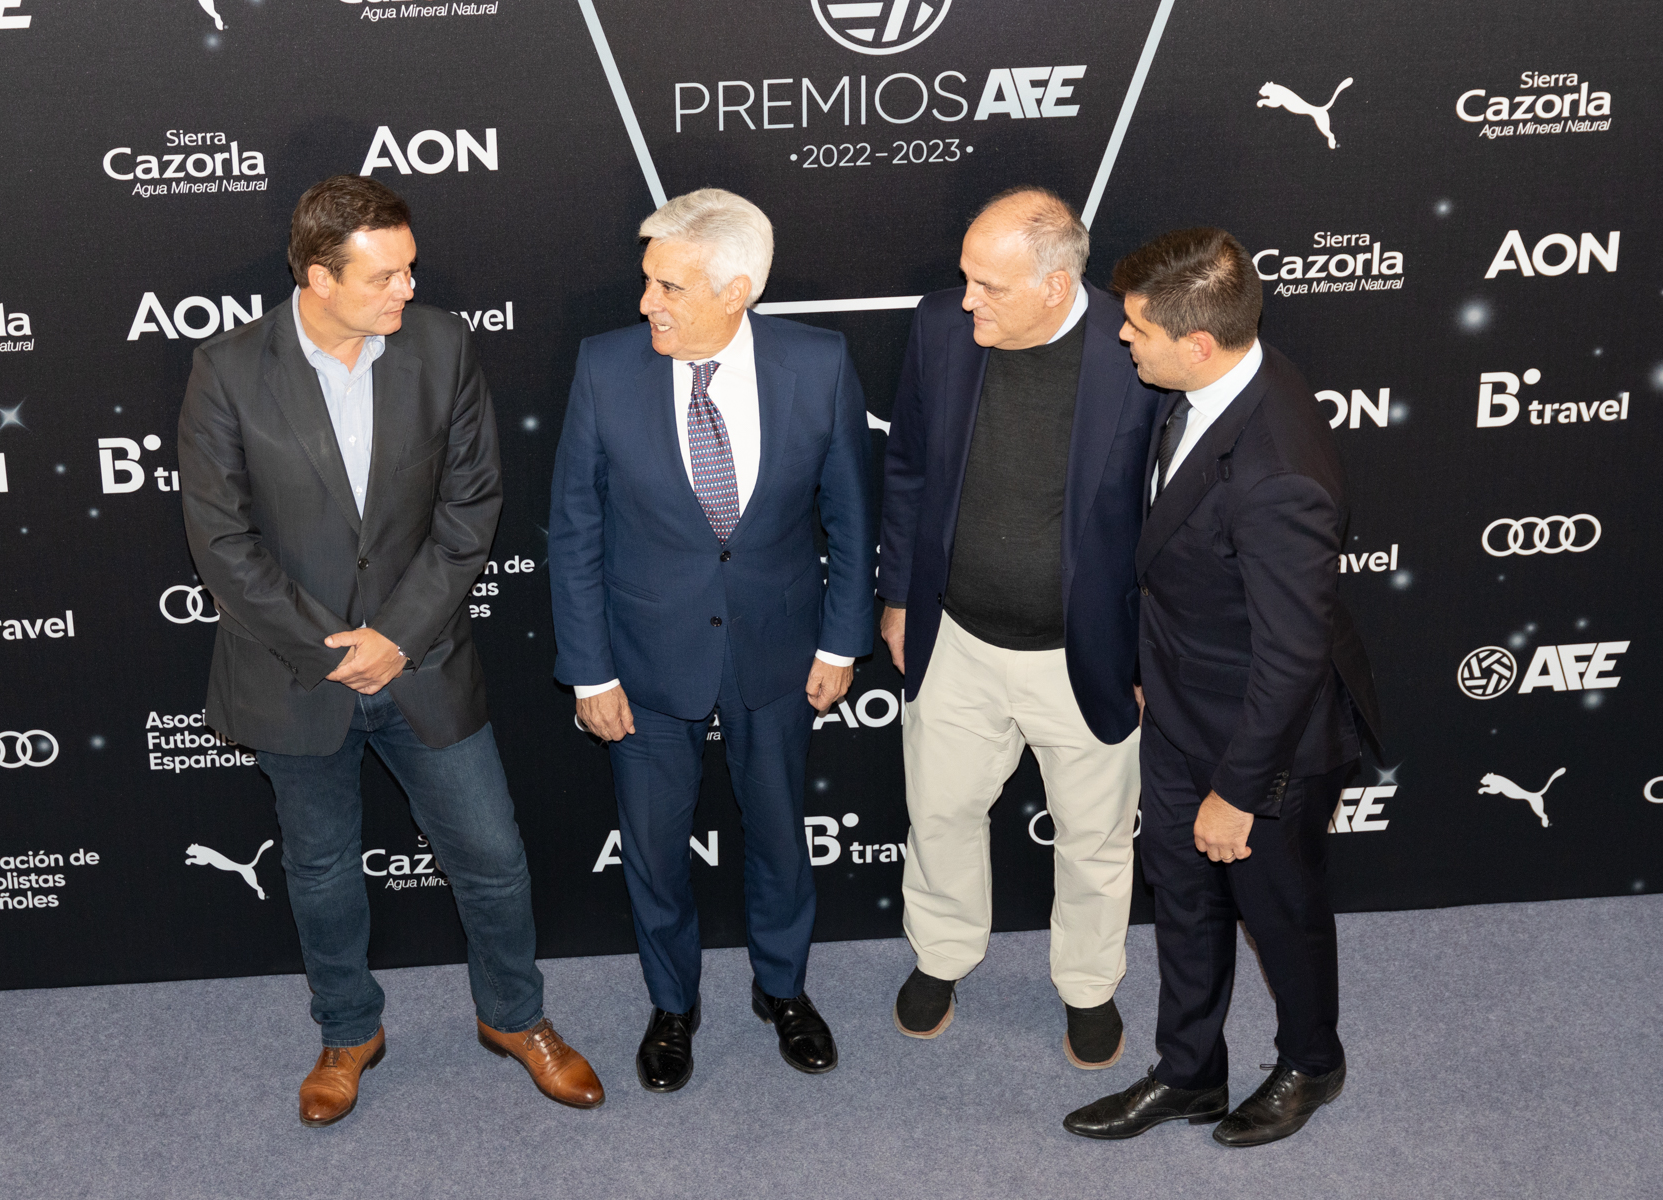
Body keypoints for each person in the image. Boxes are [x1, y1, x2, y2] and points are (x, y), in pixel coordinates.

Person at [177, 175, 604, 1126]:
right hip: (296, 675)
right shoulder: (229, 368)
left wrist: (396, 637)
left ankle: (515, 1018)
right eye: (385, 276)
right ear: (319, 278)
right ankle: (347, 1032)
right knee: (322, 871)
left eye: (409, 269)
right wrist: (332, 650)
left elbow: (471, 506)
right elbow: (223, 541)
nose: (408, 289)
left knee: (492, 857)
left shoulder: (441, 347)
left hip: (425, 660)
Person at [548, 188, 875, 1092]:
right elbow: (574, 528)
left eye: (670, 287)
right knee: (655, 849)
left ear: (736, 291)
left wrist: (841, 643)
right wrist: (589, 672)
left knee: (780, 835)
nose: (646, 303)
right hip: (644, 657)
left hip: (779, 649)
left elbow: (851, 514)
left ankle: (785, 991)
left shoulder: (818, 363)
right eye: (647, 281)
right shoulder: (605, 367)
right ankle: (672, 1006)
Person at [1064, 227, 1382, 1147]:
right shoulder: (1210, 383)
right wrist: (1145, 674)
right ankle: (1190, 1073)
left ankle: (1313, 1062)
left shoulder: (1279, 474)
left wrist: (1240, 793)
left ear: (1198, 343)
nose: (1123, 338)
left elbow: (1290, 656)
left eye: (1137, 328)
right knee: (1184, 898)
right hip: (1179, 706)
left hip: (1266, 744)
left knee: (1280, 913)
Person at [876, 187, 1160, 1066]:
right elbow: (908, 467)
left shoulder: (1137, 349)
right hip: (956, 639)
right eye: (966, 278)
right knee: (940, 814)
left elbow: (1175, 518)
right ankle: (941, 956)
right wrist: (899, 598)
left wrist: (1151, 655)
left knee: (1096, 839)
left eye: (989, 286)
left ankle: (1088, 986)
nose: (967, 300)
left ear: (1053, 285)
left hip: (1087, 654)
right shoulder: (941, 327)